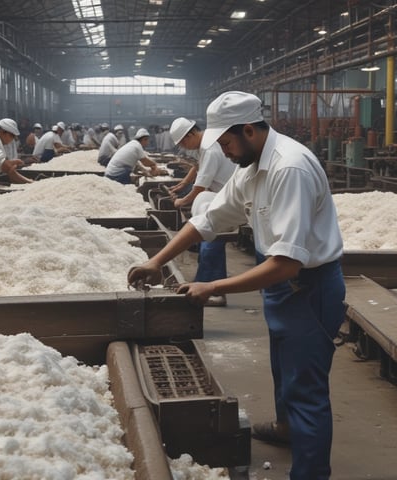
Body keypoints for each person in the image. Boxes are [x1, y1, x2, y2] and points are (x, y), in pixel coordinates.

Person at [127, 91, 346, 480]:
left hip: (307, 287)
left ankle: (311, 472)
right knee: (284, 366)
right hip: (281, 284)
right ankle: (285, 427)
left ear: (249, 130)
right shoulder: (249, 167)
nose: (224, 152)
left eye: (226, 143)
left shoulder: (288, 168)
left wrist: (212, 286)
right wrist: (156, 261)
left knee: (306, 388)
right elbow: (207, 221)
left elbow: (287, 263)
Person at [167, 116, 237, 306]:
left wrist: (182, 201)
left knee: (209, 237)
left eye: (183, 142)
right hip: (221, 194)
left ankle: (207, 289)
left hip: (230, 196)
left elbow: (200, 187)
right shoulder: (206, 143)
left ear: (191, 134)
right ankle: (212, 288)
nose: (184, 147)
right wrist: (182, 184)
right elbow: (198, 168)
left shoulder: (210, 148)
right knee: (210, 237)